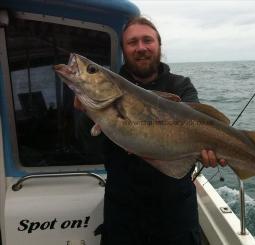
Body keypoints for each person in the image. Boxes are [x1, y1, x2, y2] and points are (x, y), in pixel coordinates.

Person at [74, 16, 227, 245]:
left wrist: (210, 153)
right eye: (132, 42)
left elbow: (198, 129)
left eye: (147, 40)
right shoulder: (107, 91)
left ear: (159, 45)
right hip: (123, 215)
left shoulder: (181, 86)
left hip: (176, 216)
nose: (141, 48)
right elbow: (88, 148)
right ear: (124, 50)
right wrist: (86, 115)